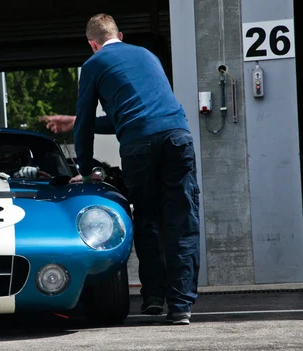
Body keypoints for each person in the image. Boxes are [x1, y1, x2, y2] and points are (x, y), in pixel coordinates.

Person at [41, 13, 200, 325]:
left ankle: (153, 298)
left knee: (147, 218)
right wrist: (75, 123)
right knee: (182, 220)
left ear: (92, 45)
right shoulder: (147, 55)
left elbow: (87, 122)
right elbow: (133, 115)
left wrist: (85, 169)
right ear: (120, 36)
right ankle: (181, 306)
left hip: (139, 147)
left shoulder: (93, 65)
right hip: (177, 137)